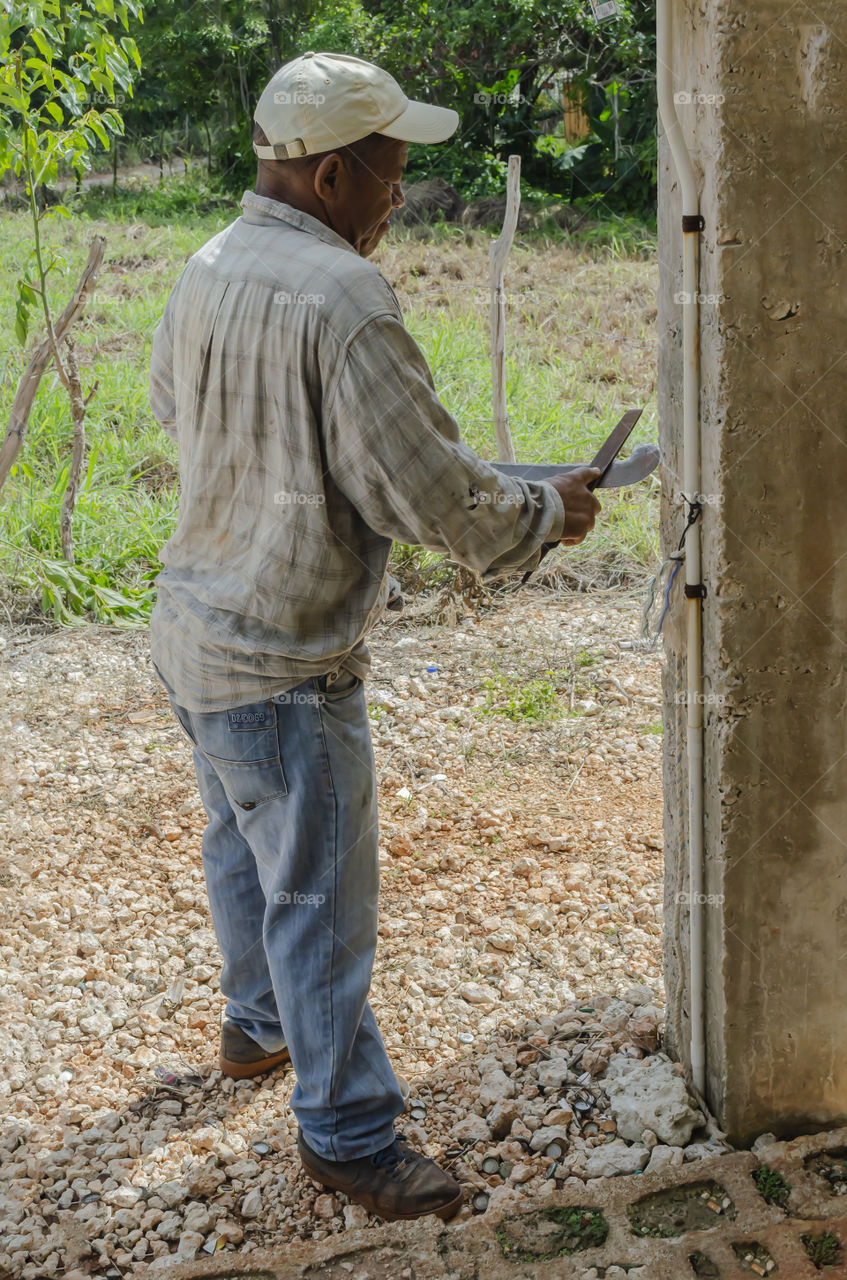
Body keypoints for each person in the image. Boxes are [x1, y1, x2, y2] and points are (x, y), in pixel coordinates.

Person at [148, 50, 601, 1224]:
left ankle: (256, 1028)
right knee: (321, 902)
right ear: (335, 173)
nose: (402, 195)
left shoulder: (208, 262)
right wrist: (546, 511)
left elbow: (177, 409)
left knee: (245, 849)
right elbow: (426, 495)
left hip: (199, 631)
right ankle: (347, 1132)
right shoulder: (345, 295)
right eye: (394, 173)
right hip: (288, 659)